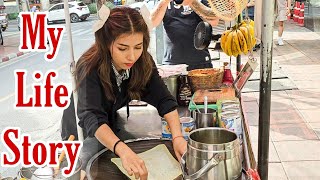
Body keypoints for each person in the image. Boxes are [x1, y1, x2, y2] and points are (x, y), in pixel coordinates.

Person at [61, 5, 187, 180]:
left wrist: (178, 137)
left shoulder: (142, 62)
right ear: (107, 44)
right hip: (80, 128)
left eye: (138, 46)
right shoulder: (89, 66)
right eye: (122, 48)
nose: (132, 56)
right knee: (81, 170)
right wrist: (123, 150)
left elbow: (164, 99)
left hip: (108, 123)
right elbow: (92, 117)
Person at [151, 0, 219, 71]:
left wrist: (192, 2)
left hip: (201, 60)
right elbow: (152, 22)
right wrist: (164, 1)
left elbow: (214, 21)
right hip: (172, 62)